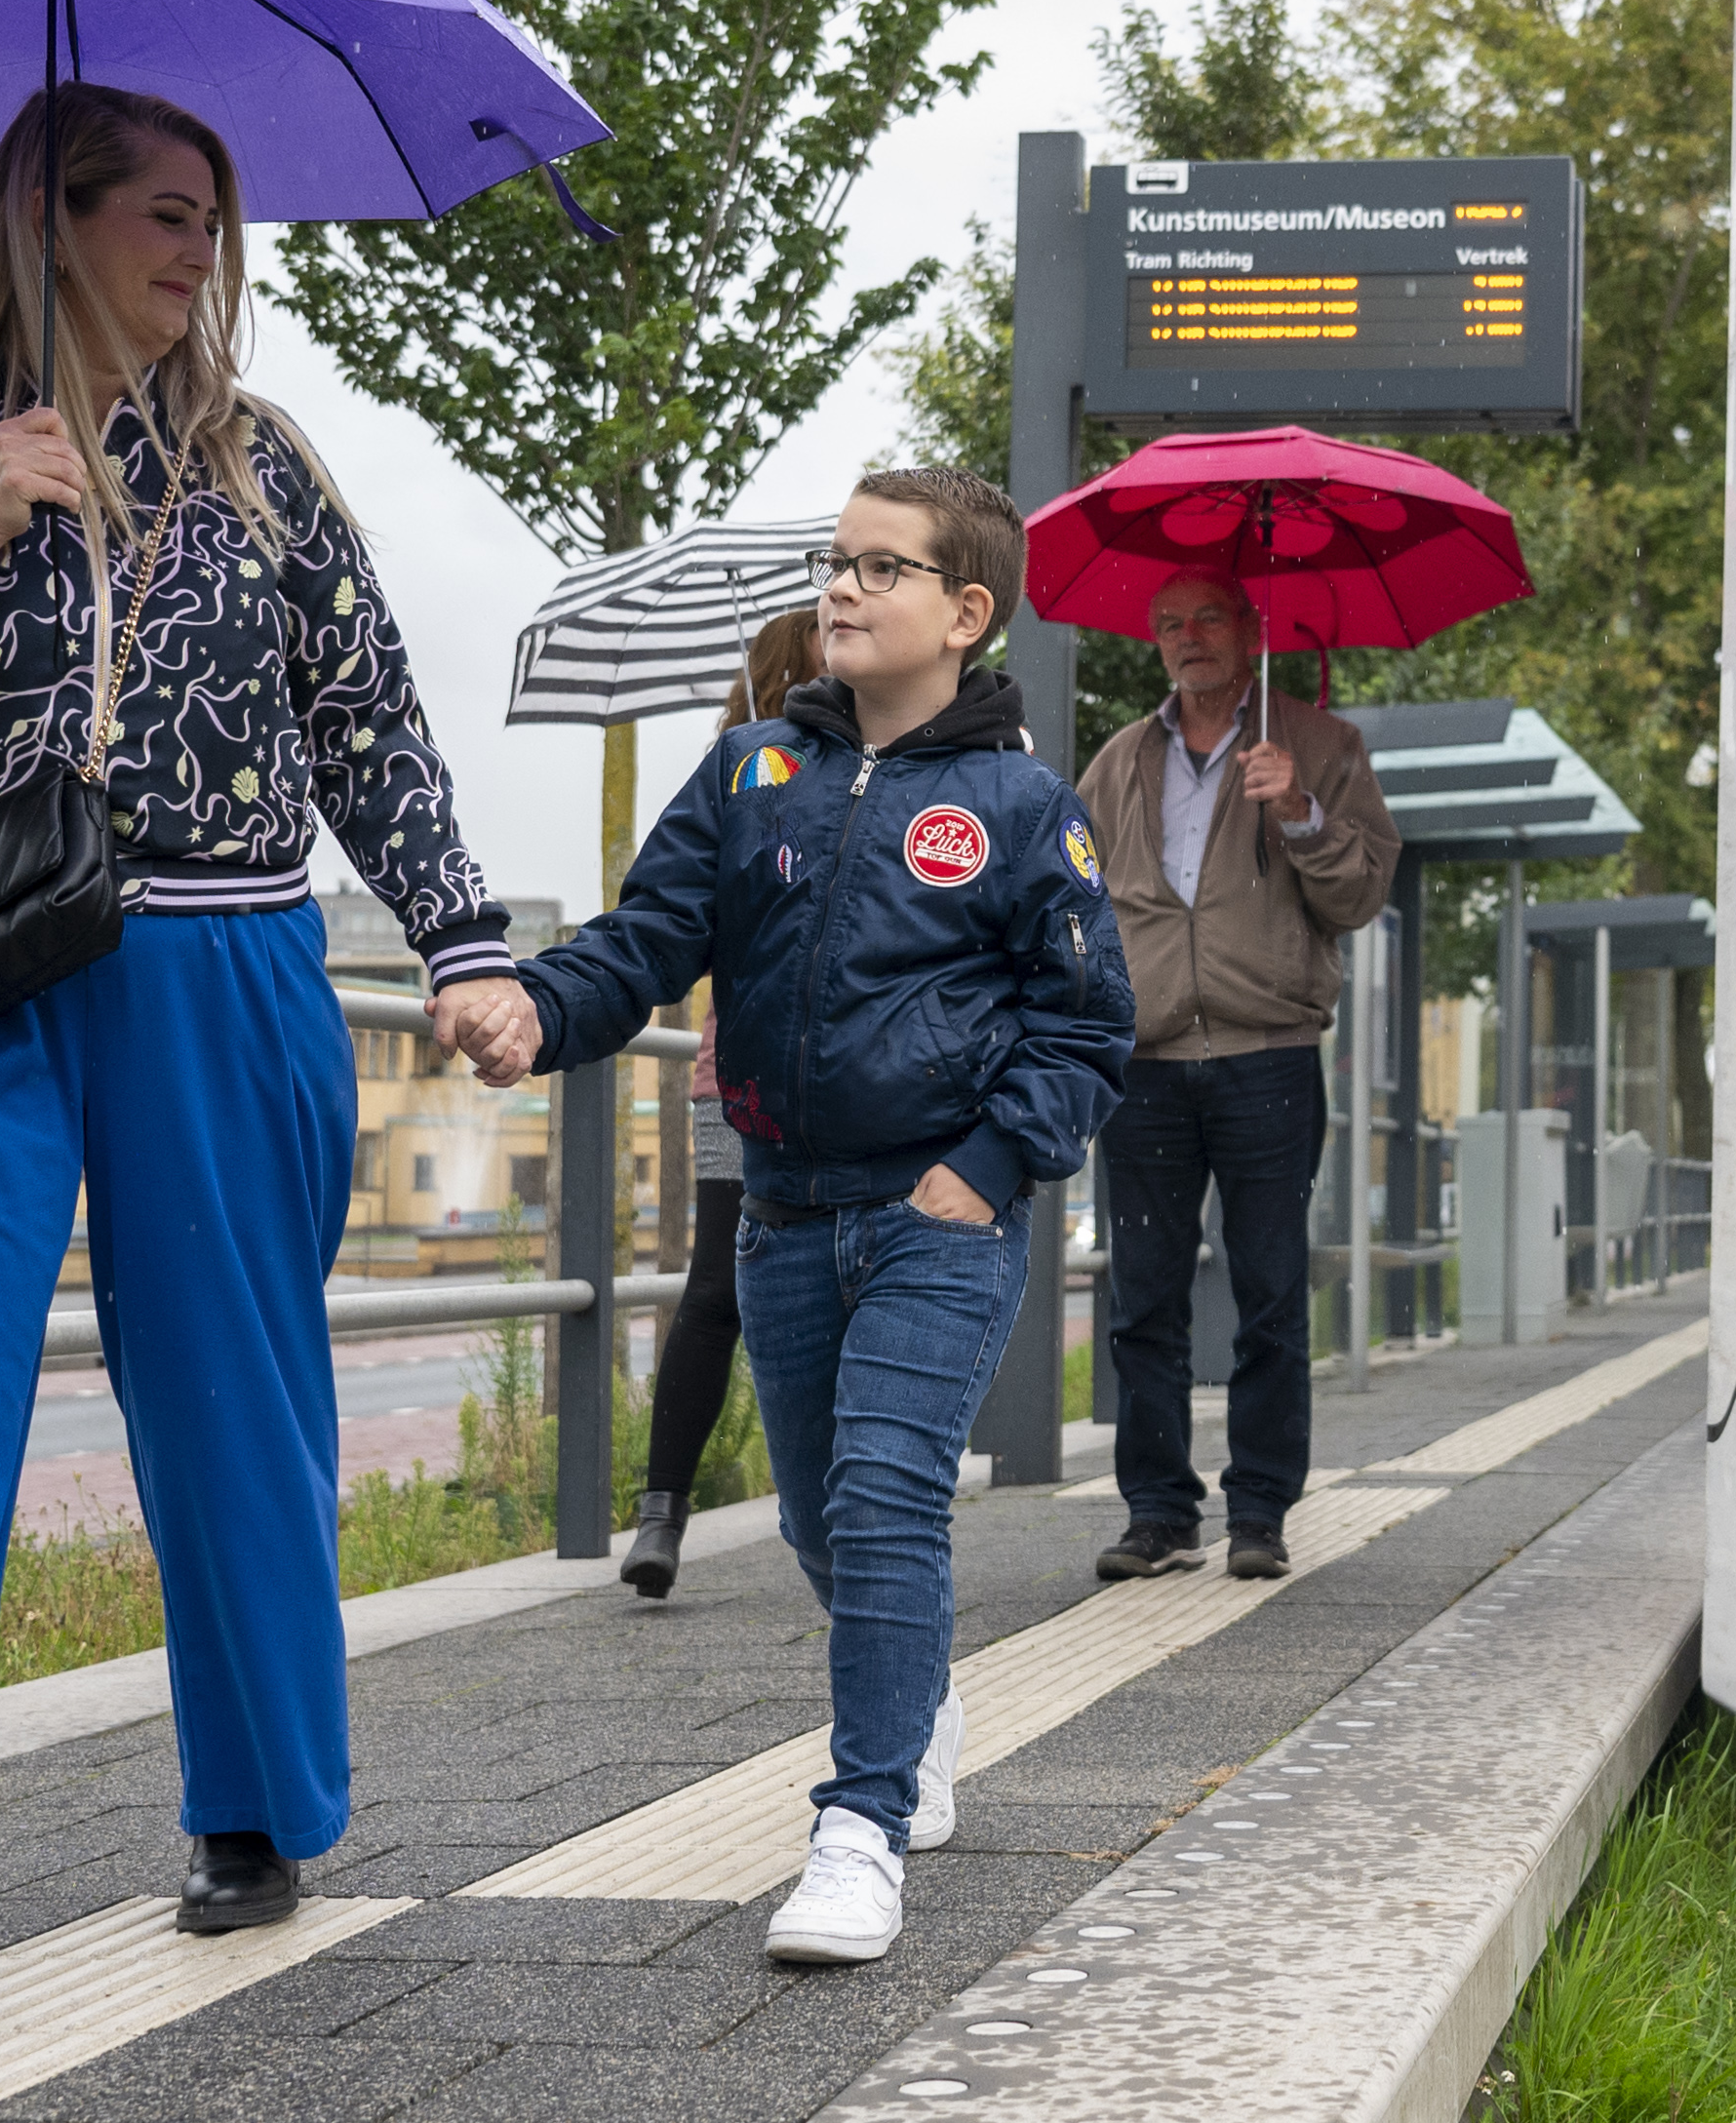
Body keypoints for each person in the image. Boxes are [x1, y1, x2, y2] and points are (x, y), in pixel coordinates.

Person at [0, 87, 520, 2034]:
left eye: (213, 218)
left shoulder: (265, 469)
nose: (196, 251)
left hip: (220, 963)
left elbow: (371, 723)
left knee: (235, 1403)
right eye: (159, 209)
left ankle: (256, 1806)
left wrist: (468, 933)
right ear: (50, 216)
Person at [454, 471, 1126, 1966]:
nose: (841, 588)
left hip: (936, 1219)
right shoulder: (752, 771)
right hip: (780, 1219)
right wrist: (532, 1009)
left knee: (888, 1493)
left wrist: (987, 1166)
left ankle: (860, 1828)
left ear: (965, 613)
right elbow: (642, 941)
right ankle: (916, 1696)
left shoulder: (1021, 807)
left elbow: (1085, 1030)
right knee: (826, 1517)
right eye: (834, 561)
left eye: (881, 568)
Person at [1072, 568, 1399, 1582]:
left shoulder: (1321, 743)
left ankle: (1260, 1505)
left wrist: (1297, 808)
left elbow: (1359, 893)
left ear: (1254, 630)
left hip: (1269, 1055)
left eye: (1209, 615)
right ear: (1153, 643)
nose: (1188, 636)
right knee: (1142, 1299)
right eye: (1169, 622)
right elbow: (1074, 895)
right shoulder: (1119, 760)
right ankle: (1160, 1508)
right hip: (1148, 1060)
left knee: (1268, 1290)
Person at [617, 604, 822, 1600]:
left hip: (778, 1074)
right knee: (725, 1288)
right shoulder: (744, 780)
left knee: (738, 1292)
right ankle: (669, 1509)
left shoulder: (811, 769)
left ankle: (684, 1509)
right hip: (745, 1073)